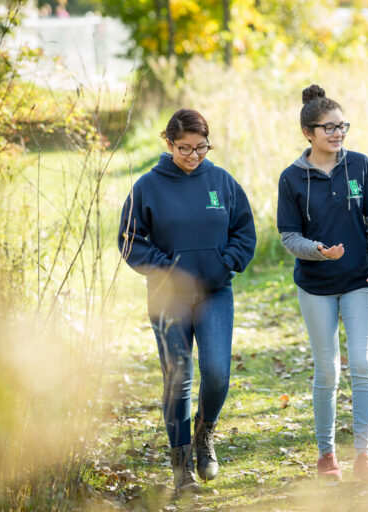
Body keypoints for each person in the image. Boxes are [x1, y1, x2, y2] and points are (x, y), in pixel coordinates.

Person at [118, 109, 256, 493]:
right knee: (177, 378)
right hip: (167, 298)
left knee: (217, 373)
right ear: (168, 143)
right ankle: (182, 472)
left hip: (215, 293)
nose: (194, 156)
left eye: (201, 148)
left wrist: (226, 262)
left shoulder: (222, 182)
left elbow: (244, 230)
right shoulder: (148, 186)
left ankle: (204, 433)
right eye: (185, 148)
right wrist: (168, 270)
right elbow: (129, 240)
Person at [276, 85, 368, 482]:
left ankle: (365, 454)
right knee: (328, 372)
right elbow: (289, 237)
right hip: (315, 285)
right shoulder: (291, 178)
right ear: (308, 133)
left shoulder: (360, 165)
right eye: (329, 127)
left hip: (360, 281)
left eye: (342, 125)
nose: (338, 133)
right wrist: (317, 250)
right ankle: (326, 454)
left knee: (362, 363)